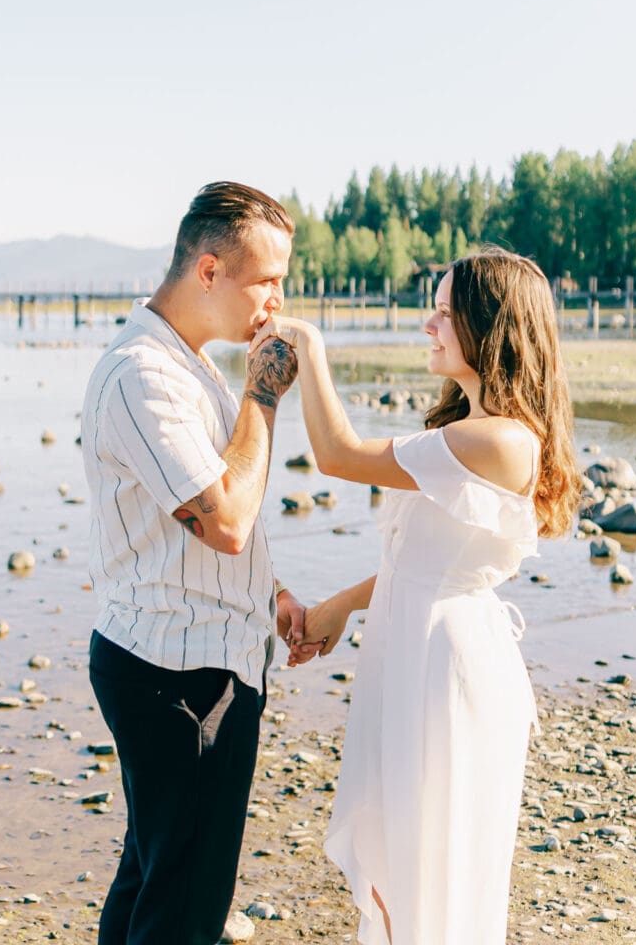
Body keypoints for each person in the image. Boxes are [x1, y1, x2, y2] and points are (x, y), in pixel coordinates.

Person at [250, 246, 581, 945]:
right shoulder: (476, 430)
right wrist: (339, 607)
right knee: (411, 851)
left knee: (437, 858)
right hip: (421, 644)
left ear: (488, 327)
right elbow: (423, 561)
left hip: (445, 669)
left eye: (443, 312)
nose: (428, 326)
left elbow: (336, 455)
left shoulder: (494, 440)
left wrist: (309, 345)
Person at [81, 181, 320, 945]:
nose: (278, 302)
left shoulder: (183, 364)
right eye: (268, 280)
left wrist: (272, 592)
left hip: (180, 654)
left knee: (153, 874)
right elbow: (226, 518)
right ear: (209, 271)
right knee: (185, 905)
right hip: (178, 675)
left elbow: (202, 515)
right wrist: (266, 392)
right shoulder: (144, 376)